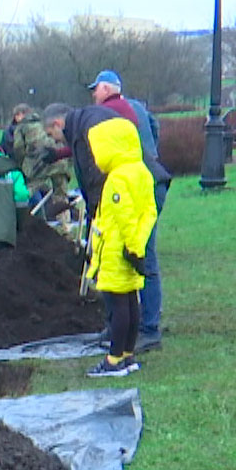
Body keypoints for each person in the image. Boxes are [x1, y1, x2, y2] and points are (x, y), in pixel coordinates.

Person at [89, 70, 171, 350]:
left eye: (96, 89)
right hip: (149, 176)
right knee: (138, 253)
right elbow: (155, 126)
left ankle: (148, 329)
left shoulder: (112, 112)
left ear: (108, 89)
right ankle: (130, 325)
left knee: (142, 254)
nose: (93, 94)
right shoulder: (135, 106)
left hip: (136, 183)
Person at [80, 115, 156, 376]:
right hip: (132, 251)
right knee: (132, 303)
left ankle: (113, 360)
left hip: (116, 251)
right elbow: (149, 212)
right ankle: (127, 354)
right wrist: (140, 247)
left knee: (117, 307)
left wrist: (132, 247)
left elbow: (123, 216)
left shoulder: (117, 179)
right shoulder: (142, 172)